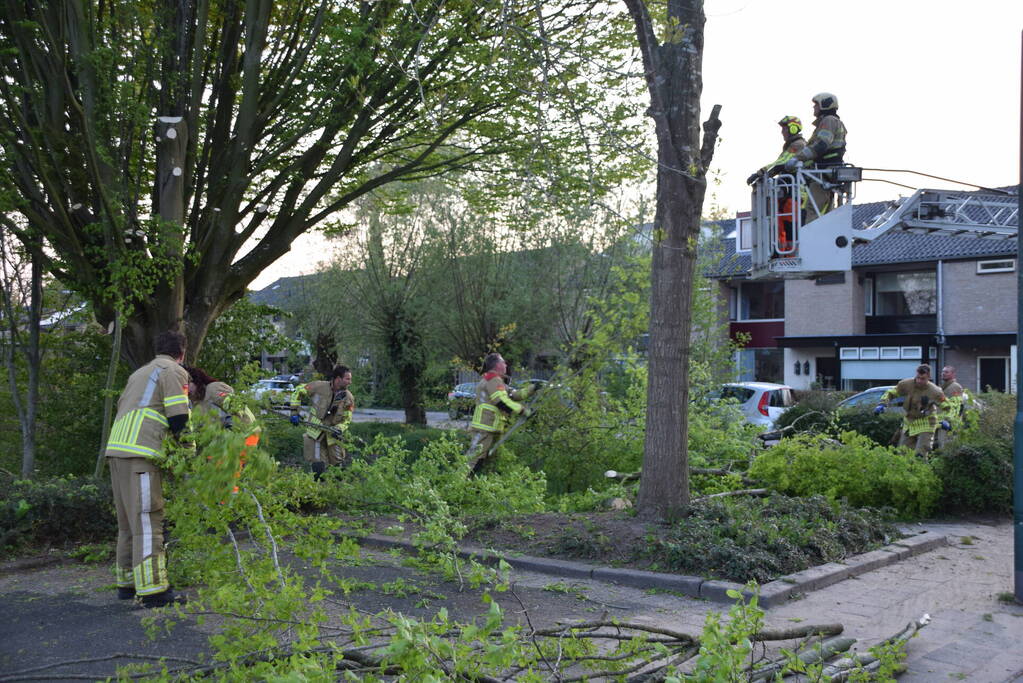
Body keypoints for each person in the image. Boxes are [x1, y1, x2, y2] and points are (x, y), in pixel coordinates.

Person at [104, 329, 190, 608]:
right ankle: (154, 590)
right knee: (147, 519)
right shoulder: (173, 371)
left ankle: (127, 584)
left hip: (117, 450)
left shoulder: (139, 373)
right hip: (141, 452)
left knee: (127, 522)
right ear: (182, 353)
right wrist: (189, 454)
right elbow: (179, 418)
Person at [184, 366, 260, 493]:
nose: (185, 389)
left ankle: (230, 504)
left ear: (196, 380)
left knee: (226, 473)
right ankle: (225, 502)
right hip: (225, 440)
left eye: (187, 384)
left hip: (245, 434)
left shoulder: (213, 389)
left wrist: (229, 426)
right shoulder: (196, 402)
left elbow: (235, 406)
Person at [465, 353, 536, 475]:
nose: (506, 365)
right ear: (497, 365)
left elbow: (514, 394)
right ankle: (458, 486)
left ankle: (475, 488)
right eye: (503, 362)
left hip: (492, 428)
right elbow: (502, 401)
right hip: (484, 428)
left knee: (485, 463)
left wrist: (532, 388)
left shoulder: (497, 381)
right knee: (473, 461)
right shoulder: (493, 379)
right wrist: (523, 411)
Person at [747, 115, 807, 252]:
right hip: (789, 194)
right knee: (783, 225)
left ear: (793, 129)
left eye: (785, 128)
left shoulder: (798, 145)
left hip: (797, 194)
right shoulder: (790, 146)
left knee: (792, 227)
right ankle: (784, 253)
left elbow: (779, 164)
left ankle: (792, 254)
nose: (782, 132)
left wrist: (760, 173)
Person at [786, 92, 847, 216]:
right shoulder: (833, 121)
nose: (814, 108)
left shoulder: (828, 121)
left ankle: (809, 235)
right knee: (826, 211)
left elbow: (821, 145)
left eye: (816, 105)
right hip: (828, 171)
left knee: (812, 209)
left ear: (825, 105)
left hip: (823, 171)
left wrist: (797, 159)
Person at [289, 365, 354, 480]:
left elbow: (347, 419)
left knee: (338, 467)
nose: (350, 382)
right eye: (347, 379)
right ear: (338, 378)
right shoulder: (318, 386)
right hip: (315, 432)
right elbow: (298, 391)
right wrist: (294, 412)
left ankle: (337, 492)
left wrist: (340, 428)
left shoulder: (348, 398)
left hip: (333, 435)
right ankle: (318, 490)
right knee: (318, 467)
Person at [874, 364, 946, 457]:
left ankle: (922, 468)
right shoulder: (906, 384)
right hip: (910, 422)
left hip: (927, 422)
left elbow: (947, 406)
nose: (919, 381)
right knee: (903, 453)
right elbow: (891, 393)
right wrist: (883, 404)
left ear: (928, 377)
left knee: (920, 454)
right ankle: (906, 470)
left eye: (923, 379)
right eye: (918, 378)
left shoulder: (935, 391)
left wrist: (946, 419)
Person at [934, 365, 966, 449]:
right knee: (938, 442)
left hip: (949, 422)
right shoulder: (942, 387)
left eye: (946, 372)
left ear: (953, 374)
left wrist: (952, 423)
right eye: (943, 372)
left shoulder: (955, 387)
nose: (943, 374)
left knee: (946, 443)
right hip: (940, 420)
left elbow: (959, 406)